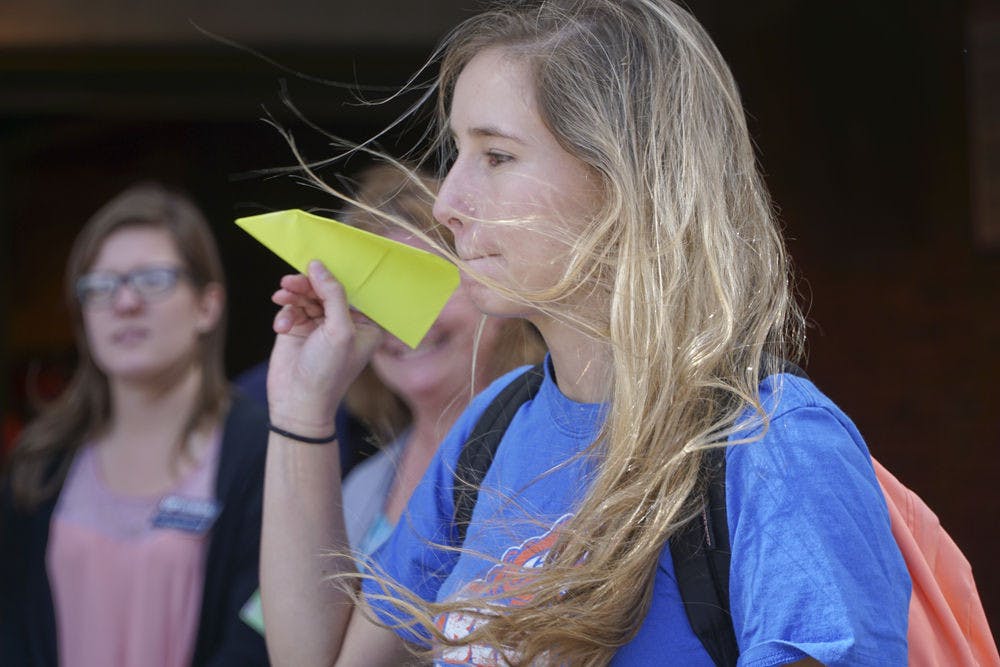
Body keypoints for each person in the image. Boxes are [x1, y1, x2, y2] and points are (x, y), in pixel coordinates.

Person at [259, 1, 911, 665]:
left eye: (496, 156)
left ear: (627, 177)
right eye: (457, 153)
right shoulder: (493, 427)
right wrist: (301, 407)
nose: (448, 205)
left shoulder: (770, 439)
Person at [0, 182, 270, 666]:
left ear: (208, 305)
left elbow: (263, 633)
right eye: (100, 288)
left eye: (152, 280)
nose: (124, 303)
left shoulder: (261, 452)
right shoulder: (41, 462)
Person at [336, 164, 546, 555]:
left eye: (425, 284)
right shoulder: (361, 484)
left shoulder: (550, 454)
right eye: (376, 295)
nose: (403, 322)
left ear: (492, 289)